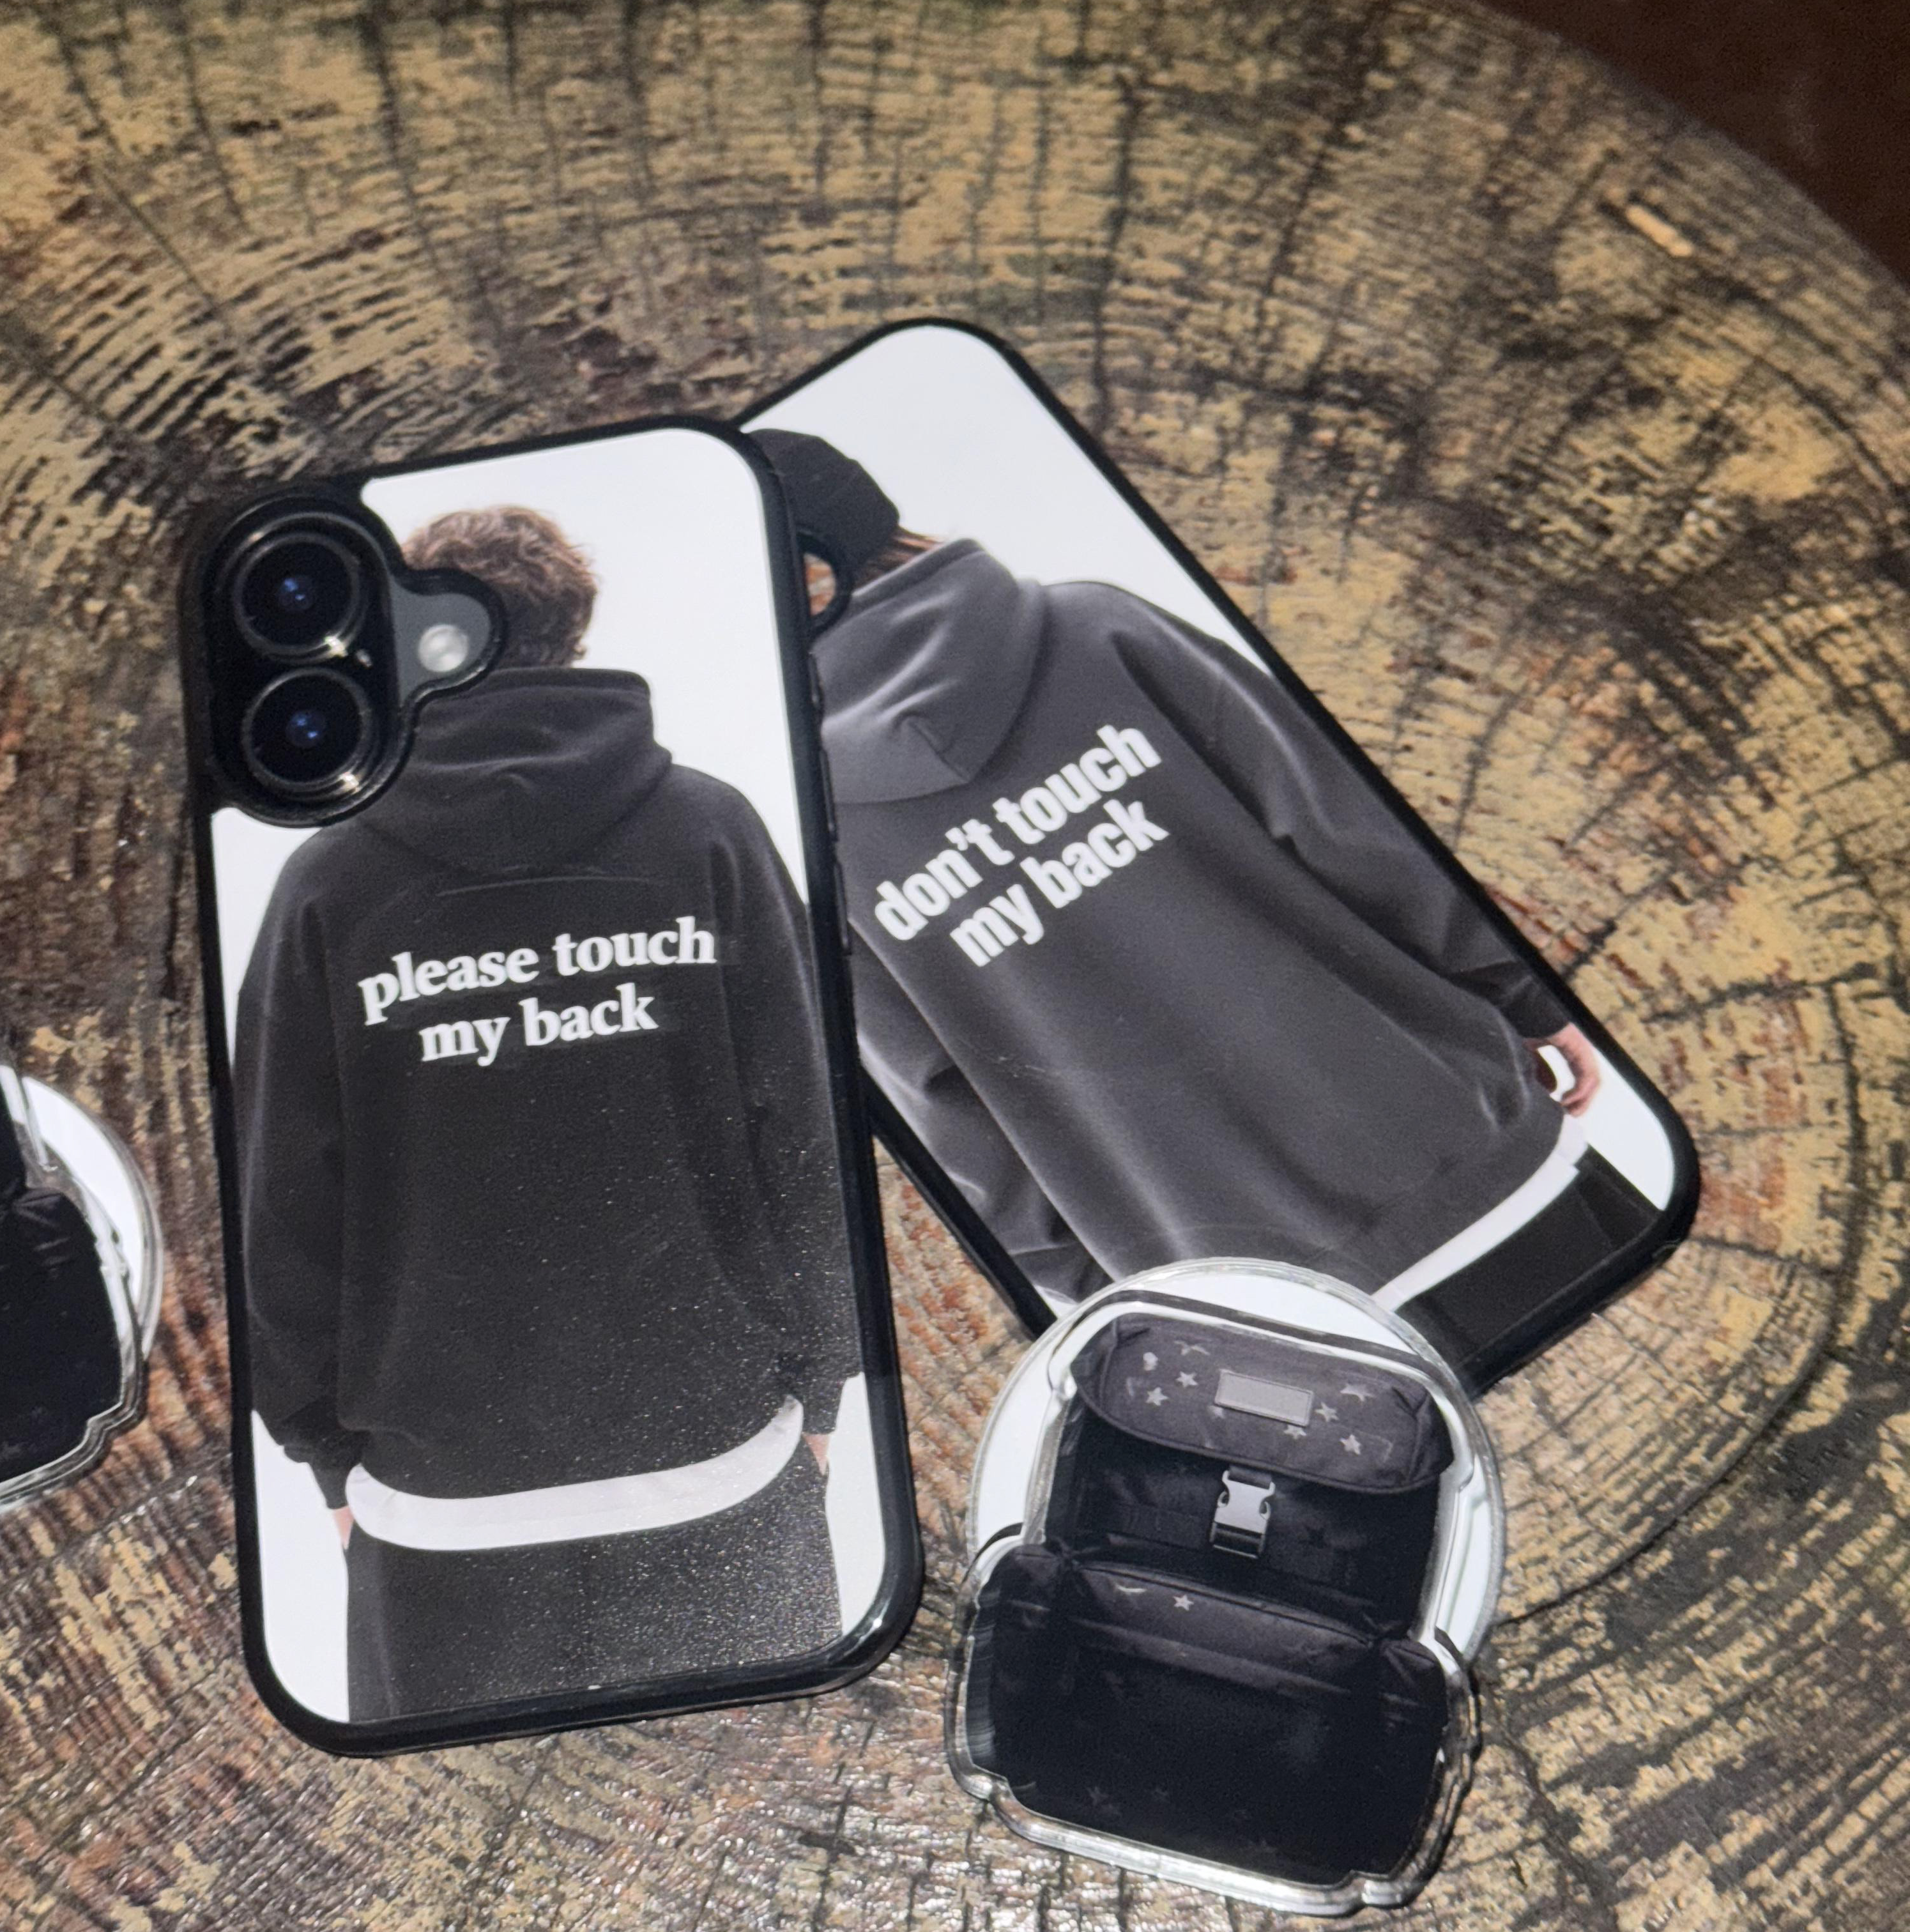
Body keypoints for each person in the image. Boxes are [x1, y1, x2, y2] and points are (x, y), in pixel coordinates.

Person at [754, 430, 1659, 1386]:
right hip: (1479, 1161)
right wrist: (1524, 990)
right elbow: (1354, 830)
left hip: (1268, 1312)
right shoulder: (1097, 631)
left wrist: (1114, 1279)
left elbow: (941, 1108)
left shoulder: (816, 840)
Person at [234, 505, 858, 1720]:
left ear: (406, 638)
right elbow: (808, 1134)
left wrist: (324, 1456)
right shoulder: (710, 832)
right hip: (719, 1466)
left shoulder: (329, 881)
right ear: (573, 633)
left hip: (440, 1506)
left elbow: (282, 1205)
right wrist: (823, 1383)